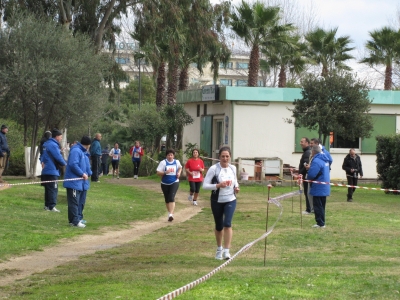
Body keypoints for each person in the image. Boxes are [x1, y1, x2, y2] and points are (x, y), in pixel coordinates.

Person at [203, 146, 240, 260]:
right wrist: (218, 185)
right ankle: (219, 249)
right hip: (217, 201)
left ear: (230, 157)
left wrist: (236, 187)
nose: (225, 158)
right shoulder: (214, 169)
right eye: (223, 156)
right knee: (219, 226)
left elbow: (235, 182)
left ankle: (227, 251)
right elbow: (205, 186)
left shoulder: (233, 168)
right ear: (219, 157)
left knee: (227, 224)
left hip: (230, 199)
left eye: (227, 156)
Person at [63, 136, 92, 228]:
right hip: (74, 182)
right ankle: (74, 221)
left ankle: (78, 218)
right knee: (74, 203)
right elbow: (73, 164)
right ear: (88, 145)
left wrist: (89, 173)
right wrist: (82, 174)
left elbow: (86, 166)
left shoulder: (84, 153)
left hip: (82, 183)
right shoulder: (76, 151)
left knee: (81, 202)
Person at [40, 129, 67, 212]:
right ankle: (52, 206)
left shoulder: (46, 144)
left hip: (46, 170)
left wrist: (42, 162)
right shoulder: (53, 145)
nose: (61, 138)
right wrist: (65, 164)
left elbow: (42, 157)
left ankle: (47, 205)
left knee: (48, 189)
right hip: (52, 170)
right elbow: (58, 156)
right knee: (53, 188)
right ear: (57, 136)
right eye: (61, 136)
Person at [307, 145, 331, 228]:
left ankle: (320, 223)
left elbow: (312, 174)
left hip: (318, 186)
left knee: (317, 206)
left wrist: (308, 172)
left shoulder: (316, 160)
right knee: (322, 205)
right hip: (325, 185)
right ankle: (322, 222)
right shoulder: (325, 159)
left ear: (313, 152)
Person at [156, 149, 182, 222]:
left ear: (173, 156)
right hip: (164, 183)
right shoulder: (163, 163)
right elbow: (158, 172)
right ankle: (169, 213)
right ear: (166, 156)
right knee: (167, 199)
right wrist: (165, 172)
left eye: (171, 155)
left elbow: (180, 167)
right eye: (168, 155)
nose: (170, 156)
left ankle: (171, 214)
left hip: (174, 182)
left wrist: (179, 173)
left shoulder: (177, 162)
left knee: (171, 197)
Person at [298, 137, 313, 215]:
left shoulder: (307, 152)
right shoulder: (306, 151)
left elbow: (306, 165)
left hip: (306, 176)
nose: (300, 143)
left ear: (307, 143)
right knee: (307, 192)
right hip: (305, 175)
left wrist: (301, 173)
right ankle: (310, 208)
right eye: (300, 141)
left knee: (307, 192)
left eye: (302, 142)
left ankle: (309, 209)